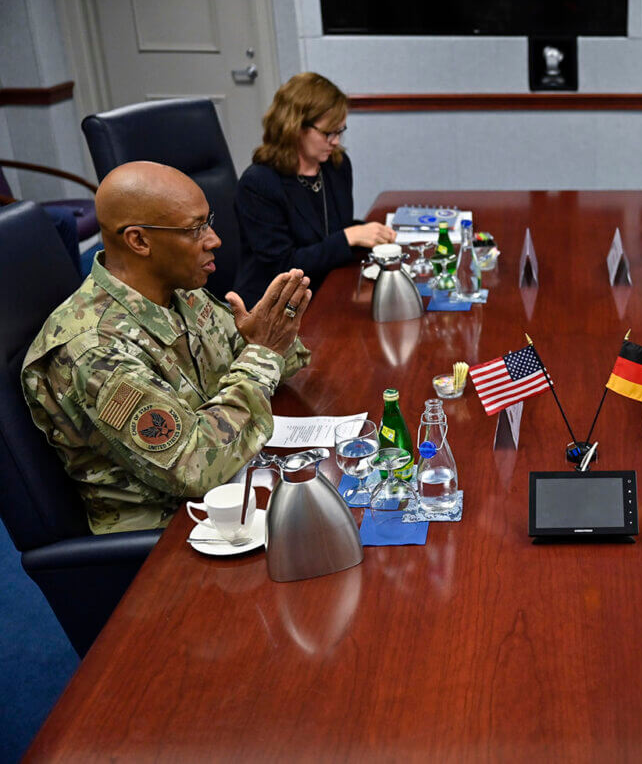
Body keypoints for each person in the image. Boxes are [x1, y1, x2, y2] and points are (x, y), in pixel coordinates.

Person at [22, 161, 312, 534]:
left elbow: (266, 360)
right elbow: (195, 467)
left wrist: (269, 342)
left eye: (209, 222)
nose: (214, 240)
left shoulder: (177, 292)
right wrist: (263, 354)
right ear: (139, 241)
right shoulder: (93, 350)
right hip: (168, 536)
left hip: (228, 488)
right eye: (195, 229)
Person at [234, 72, 394, 306]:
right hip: (275, 306)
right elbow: (282, 267)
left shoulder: (336, 165)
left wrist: (368, 233)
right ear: (295, 127)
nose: (336, 141)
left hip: (326, 287)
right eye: (329, 132)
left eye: (340, 131)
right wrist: (349, 238)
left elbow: (329, 232)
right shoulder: (258, 184)